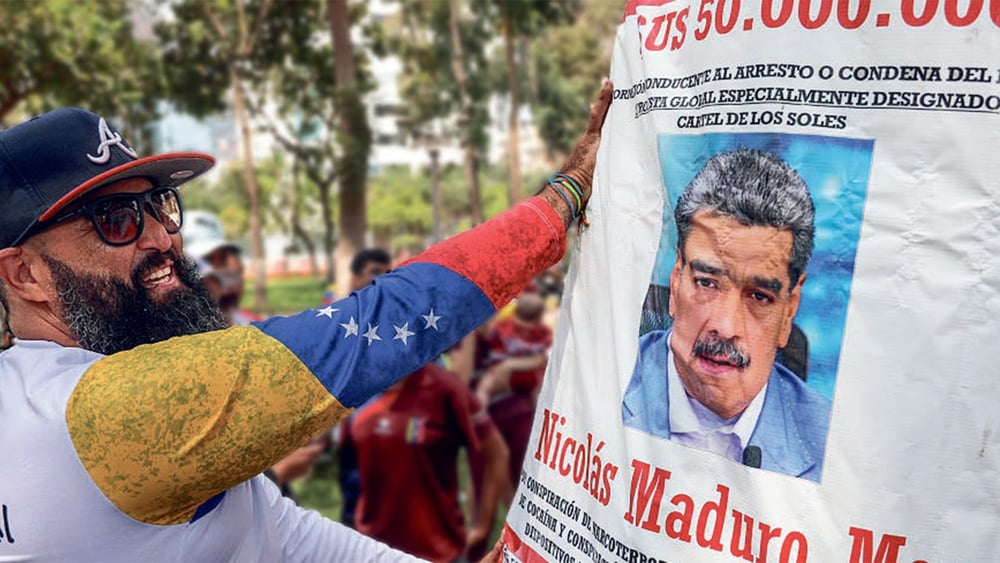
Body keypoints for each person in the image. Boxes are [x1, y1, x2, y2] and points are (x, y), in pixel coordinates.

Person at [0, 82, 609, 561]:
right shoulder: (103, 414)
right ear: (24, 274)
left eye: (157, 205)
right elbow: (374, 326)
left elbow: (284, 538)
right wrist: (564, 200)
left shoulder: (35, 401)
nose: (162, 235)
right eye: (114, 218)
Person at [621, 148, 831, 482]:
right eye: (707, 283)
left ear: (789, 308)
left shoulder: (833, 448)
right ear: (676, 279)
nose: (725, 326)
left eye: (759, 297)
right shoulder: (608, 379)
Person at [345, 361, 508, 562]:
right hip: (371, 548)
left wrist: (481, 527)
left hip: (437, 552)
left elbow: (497, 453)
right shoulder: (355, 385)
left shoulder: (444, 387)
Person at [472, 282, 552, 504]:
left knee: (518, 462)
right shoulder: (504, 327)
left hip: (522, 394)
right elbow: (489, 336)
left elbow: (543, 360)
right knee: (487, 385)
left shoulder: (541, 333)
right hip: (498, 386)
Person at [336, 247, 394, 529]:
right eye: (374, 272)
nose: (382, 279)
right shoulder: (341, 320)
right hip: (356, 424)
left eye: (387, 273)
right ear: (356, 277)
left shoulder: (400, 320)